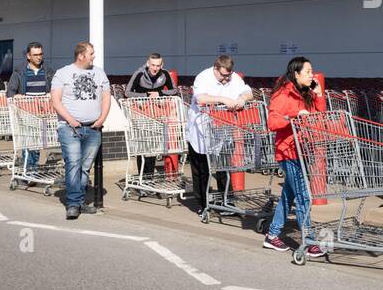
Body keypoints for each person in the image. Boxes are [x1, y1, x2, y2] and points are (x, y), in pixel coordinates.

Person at [262, 57, 327, 257]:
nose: (312, 75)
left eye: (312, 71)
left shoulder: (306, 93)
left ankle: (272, 235)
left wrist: (318, 95)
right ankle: (308, 241)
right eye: (307, 72)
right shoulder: (283, 93)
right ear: (296, 74)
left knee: (289, 195)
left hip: (302, 149)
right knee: (303, 196)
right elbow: (272, 121)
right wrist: (292, 118)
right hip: (288, 151)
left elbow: (318, 115)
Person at [50, 42, 111, 220]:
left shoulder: (99, 73)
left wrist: (101, 120)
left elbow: (106, 97)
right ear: (81, 55)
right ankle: (73, 203)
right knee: (73, 164)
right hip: (69, 128)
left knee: (84, 168)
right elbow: (56, 100)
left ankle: (79, 202)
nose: (94, 57)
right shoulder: (62, 73)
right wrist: (71, 120)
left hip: (93, 128)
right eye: (91, 53)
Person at [185, 54, 253, 209]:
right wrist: (223, 99)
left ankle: (227, 202)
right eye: (223, 75)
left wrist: (242, 98)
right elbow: (200, 98)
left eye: (228, 75)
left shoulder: (233, 77)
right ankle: (203, 204)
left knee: (224, 168)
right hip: (202, 128)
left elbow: (248, 92)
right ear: (216, 69)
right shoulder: (203, 77)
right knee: (202, 169)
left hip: (223, 128)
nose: (226, 79)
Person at [125, 52, 179, 177]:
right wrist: (146, 95)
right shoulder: (139, 74)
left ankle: (150, 178)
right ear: (148, 63)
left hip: (157, 115)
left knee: (154, 146)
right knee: (143, 147)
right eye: (153, 65)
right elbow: (127, 92)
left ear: (162, 65)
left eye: (158, 65)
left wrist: (159, 93)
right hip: (141, 115)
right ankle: (143, 178)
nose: (155, 68)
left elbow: (174, 90)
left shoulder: (165, 74)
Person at [6, 42, 50, 179]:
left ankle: (31, 170)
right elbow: (10, 92)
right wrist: (15, 96)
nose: (39, 57)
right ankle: (30, 171)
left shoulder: (48, 71)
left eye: (40, 54)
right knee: (28, 143)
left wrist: (51, 94)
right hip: (25, 112)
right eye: (35, 55)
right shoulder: (19, 72)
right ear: (28, 56)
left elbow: (55, 89)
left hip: (42, 113)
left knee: (35, 144)